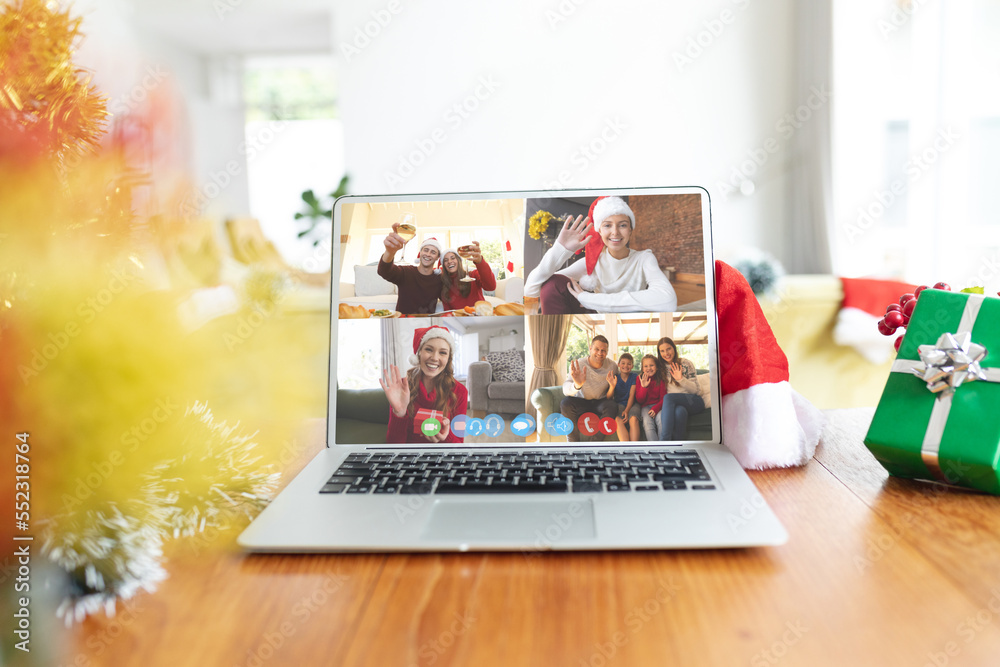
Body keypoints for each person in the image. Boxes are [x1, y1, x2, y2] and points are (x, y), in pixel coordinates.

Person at [523, 196, 677, 314]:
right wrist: (561, 249)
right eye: (607, 225)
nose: (615, 232)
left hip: (625, 318)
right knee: (553, 284)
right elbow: (531, 289)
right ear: (599, 231)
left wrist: (589, 299)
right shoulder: (592, 262)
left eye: (622, 225)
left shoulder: (644, 258)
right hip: (597, 315)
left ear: (630, 230)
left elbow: (668, 301)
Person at [380, 325, 468, 444]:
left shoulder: (460, 391)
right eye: (429, 350)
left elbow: (458, 445)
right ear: (419, 353)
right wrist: (399, 414)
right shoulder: (401, 387)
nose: (435, 358)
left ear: (448, 359)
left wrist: (446, 436)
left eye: (442, 352)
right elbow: (393, 446)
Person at [560, 335, 618, 442]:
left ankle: (594, 443)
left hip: (600, 402)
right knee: (565, 403)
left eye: (603, 350)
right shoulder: (579, 364)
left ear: (607, 352)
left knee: (612, 406)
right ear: (590, 349)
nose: (600, 353)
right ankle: (573, 444)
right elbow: (565, 389)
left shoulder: (612, 366)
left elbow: (618, 387)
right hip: (581, 401)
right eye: (596, 349)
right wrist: (577, 385)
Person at [377, 227, 444, 315]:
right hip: (402, 322)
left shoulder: (439, 280)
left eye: (433, 252)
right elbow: (384, 271)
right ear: (420, 253)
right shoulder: (406, 272)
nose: (428, 254)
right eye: (426, 250)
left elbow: (451, 297)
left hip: (425, 324)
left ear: (437, 258)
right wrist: (390, 252)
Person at [656, 336, 705, 440]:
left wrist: (681, 379)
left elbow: (696, 390)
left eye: (668, 349)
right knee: (680, 412)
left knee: (668, 398)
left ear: (674, 348)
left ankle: (664, 441)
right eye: (662, 351)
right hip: (676, 405)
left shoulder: (685, 363)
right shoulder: (661, 368)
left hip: (693, 401)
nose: (666, 353)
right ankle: (678, 447)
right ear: (659, 353)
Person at [439, 242, 497, 311]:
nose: (449, 261)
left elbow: (491, 287)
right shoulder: (444, 284)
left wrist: (480, 261)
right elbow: (447, 311)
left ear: (459, 261)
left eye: (453, 258)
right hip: (459, 319)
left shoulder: (473, 275)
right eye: (446, 260)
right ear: (444, 265)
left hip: (479, 317)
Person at [607, 352, 640, 441]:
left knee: (633, 419)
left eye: (629, 364)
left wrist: (627, 410)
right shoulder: (615, 378)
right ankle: (626, 448)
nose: (626, 366)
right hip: (620, 404)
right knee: (617, 419)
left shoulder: (634, 376)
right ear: (618, 365)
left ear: (632, 366)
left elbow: (631, 395)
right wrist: (612, 386)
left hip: (633, 404)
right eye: (623, 363)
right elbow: (609, 398)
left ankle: (634, 450)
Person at [634, 354, 668, 442]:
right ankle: (654, 447)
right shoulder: (639, 378)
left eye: (651, 365)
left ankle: (662, 445)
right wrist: (644, 387)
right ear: (642, 368)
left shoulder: (660, 379)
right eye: (646, 366)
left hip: (658, 406)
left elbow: (664, 398)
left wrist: (655, 409)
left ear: (657, 367)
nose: (649, 368)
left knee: (661, 419)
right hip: (645, 406)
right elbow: (640, 400)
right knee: (647, 423)